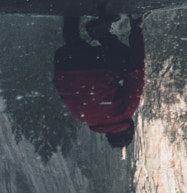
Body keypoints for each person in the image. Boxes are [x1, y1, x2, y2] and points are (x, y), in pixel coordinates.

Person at [52, 13, 145, 147]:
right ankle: (71, 15)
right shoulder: (85, 118)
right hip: (64, 65)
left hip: (93, 68)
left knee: (126, 65)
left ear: (129, 128)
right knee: (75, 49)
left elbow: (137, 72)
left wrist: (136, 31)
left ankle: (100, 33)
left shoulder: (125, 111)